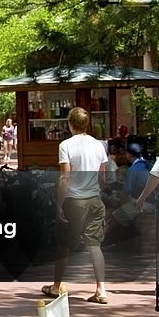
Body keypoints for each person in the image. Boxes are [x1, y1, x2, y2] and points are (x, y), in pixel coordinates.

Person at [43, 107, 109, 304]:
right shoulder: (98, 145)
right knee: (95, 245)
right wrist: (98, 191)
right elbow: (102, 176)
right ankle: (101, 289)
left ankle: (56, 286)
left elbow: (65, 176)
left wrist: (59, 203)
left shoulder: (66, 145)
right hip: (95, 199)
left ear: (70, 123)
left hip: (74, 199)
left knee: (64, 244)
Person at [110, 142, 152, 230]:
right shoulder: (147, 164)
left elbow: (126, 192)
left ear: (129, 155)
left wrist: (118, 203)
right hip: (151, 201)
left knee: (114, 217)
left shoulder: (133, 169)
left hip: (144, 203)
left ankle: (102, 241)